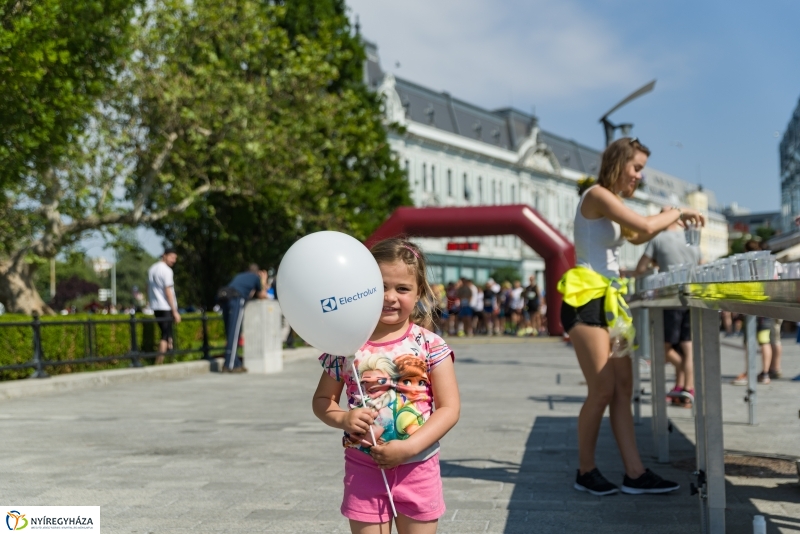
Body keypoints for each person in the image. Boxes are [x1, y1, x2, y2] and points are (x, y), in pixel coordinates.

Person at [558, 137, 704, 496]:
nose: (639, 176)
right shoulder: (596, 195)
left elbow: (639, 234)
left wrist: (665, 219)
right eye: (636, 167)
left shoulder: (614, 204)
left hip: (611, 304)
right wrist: (677, 212)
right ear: (619, 162)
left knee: (624, 389)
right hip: (586, 299)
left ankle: (635, 473)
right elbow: (646, 226)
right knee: (603, 389)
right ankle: (585, 470)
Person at [312, 238, 460, 534]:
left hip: (418, 466)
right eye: (379, 287)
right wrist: (343, 418)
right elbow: (322, 400)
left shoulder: (431, 345)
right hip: (363, 468)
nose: (389, 297)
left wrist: (409, 448)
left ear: (419, 292)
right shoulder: (345, 345)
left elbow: (449, 408)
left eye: (402, 288)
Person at [635, 208, 701, 408]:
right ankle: (685, 387)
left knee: (663, 348)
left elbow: (640, 269)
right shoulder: (691, 237)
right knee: (686, 346)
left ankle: (684, 382)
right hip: (692, 294)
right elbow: (700, 262)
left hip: (670, 296)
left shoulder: (658, 239)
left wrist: (656, 263)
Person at [217, 264, 269, 373]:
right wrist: (263, 280)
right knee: (235, 333)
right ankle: (230, 365)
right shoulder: (255, 278)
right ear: (257, 272)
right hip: (236, 299)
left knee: (230, 332)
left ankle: (236, 363)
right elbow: (262, 295)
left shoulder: (240, 276)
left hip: (225, 298)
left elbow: (249, 293)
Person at [147, 249, 180, 365]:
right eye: (172, 257)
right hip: (166, 306)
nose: (174, 260)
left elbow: (149, 288)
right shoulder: (167, 271)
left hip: (156, 306)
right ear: (164, 256)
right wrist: (175, 311)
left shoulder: (152, 269)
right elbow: (168, 291)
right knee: (165, 335)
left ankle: (169, 358)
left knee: (167, 333)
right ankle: (159, 361)